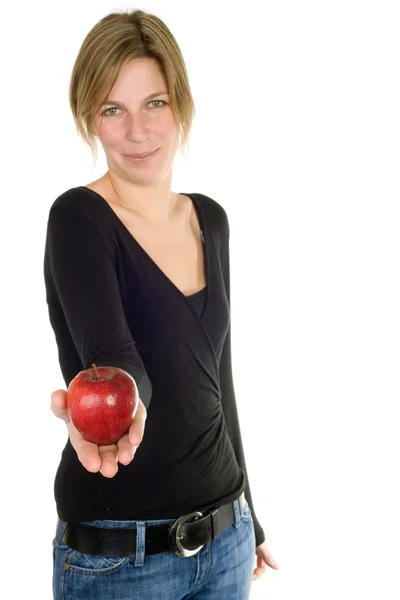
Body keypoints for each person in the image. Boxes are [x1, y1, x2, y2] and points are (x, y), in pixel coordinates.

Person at [44, 8, 278, 600]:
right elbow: (115, 357)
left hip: (226, 539)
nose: (137, 132)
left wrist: (249, 508)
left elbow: (217, 379)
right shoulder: (78, 218)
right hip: (123, 559)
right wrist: (123, 411)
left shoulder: (211, 221)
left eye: (154, 103)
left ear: (181, 104)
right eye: (111, 109)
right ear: (90, 120)